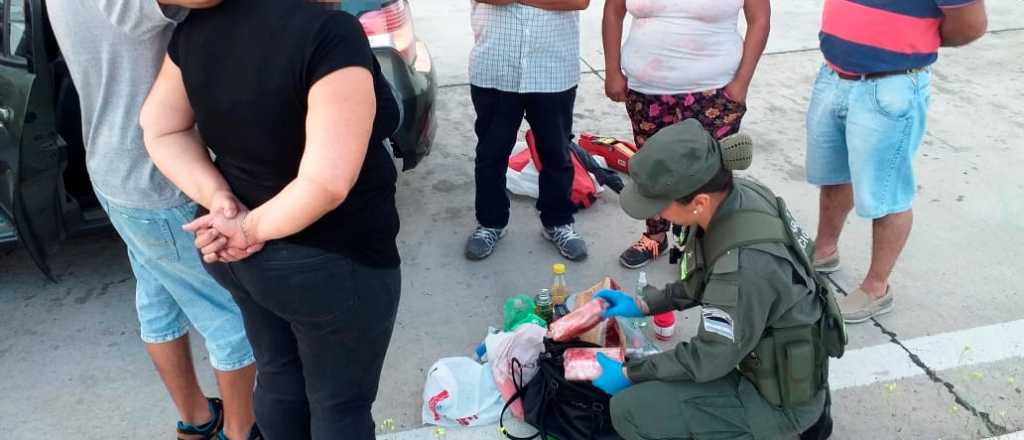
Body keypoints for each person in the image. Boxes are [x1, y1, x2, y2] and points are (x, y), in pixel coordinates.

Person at [140, 0, 403, 438]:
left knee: (280, 375)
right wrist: (246, 227)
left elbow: (160, 128)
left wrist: (220, 201)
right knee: (340, 405)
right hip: (330, 261)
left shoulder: (197, 27)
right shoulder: (330, 34)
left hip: (242, 259)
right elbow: (326, 183)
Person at [45, 2, 256, 439]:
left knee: (159, 299)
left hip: (115, 167)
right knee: (233, 315)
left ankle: (196, 421)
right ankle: (242, 431)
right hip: (163, 176)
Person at [590, 119, 845, 440]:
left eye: (659, 206)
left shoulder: (744, 266)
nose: (656, 215)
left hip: (775, 399)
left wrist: (631, 373)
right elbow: (704, 276)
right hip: (774, 356)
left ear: (698, 202)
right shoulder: (735, 198)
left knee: (630, 410)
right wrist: (643, 305)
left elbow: (709, 357)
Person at [807, 0, 987, 323]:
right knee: (834, 175)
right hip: (834, 74)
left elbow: (970, 24)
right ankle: (824, 250)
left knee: (887, 192)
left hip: (889, 85)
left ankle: (876, 288)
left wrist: (911, 41)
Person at [603, 0, 770, 270]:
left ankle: (707, 246)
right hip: (647, 90)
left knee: (710, 174)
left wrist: (742, 83)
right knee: (655, 168)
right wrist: (612, 70)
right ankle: (655, 236)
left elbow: (759, 19)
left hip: (715, 92)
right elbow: (613, 11)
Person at [464, 0, 591, 262]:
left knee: (556, 153)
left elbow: (578, 2)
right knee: (491, 154)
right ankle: (490, 223)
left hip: (553, 70)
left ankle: (557, 221)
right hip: (496, 68)